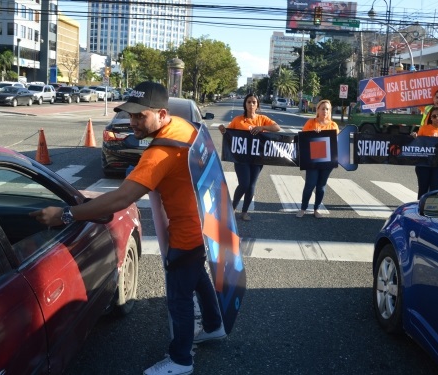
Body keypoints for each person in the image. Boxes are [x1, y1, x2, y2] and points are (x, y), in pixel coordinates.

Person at [30, 81, 225, 375]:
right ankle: (213, 325)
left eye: (139, 116)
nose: (131, 122)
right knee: (197, 277)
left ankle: (181, 360)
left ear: (161, 114)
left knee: (179, 297)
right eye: (129, 115)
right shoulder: (184, 127)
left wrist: (66, 215)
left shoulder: (159, 153)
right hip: (204, 225)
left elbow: (122, 197)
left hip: (184, 233)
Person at [218, 93, 281, 221]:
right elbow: (229, 134)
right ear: (245, 104)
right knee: (244, 184)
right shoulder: (238, 120)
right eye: (249, 102)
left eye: (254, 102)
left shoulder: (262, 119)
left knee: (251, 185)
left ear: (257, 105)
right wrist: (223, 130)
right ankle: (232, 208)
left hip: (257, 158)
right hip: (241, 158)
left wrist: (262, 127)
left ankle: (244, 212)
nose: (251, 104)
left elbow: (277, 128)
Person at [296, 99, 338, 219]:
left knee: (321, 186)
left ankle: (316, 209)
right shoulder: (311, 122)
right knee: (310, 184)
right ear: (318, 110)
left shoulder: (333, 125)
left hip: (327, 160)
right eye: (323, 108)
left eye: (327, 109)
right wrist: (313, 133)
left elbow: (335, 142)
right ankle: (303, 208)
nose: (325, 111)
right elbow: (303, 139)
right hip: (312, 159)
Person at [411, 106, 438, 199]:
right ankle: (420, 209)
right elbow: (417, 145)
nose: (437, 118)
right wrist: (414, 137)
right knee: (423, 190)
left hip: (437, 166)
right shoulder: (424, 128)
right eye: (434, 116)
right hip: (423, 165)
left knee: (435, 191)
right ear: (430, 118)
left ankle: (431, 211)